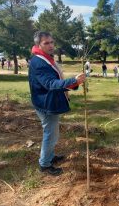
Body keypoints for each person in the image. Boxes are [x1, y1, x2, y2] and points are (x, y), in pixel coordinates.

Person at [28, 31, 86, 176]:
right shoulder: (39, 62)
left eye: (52, 42)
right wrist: (73, 81)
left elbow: (54, 80)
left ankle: (49, 156)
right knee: (51, 134)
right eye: (46, 43)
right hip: (46, 105)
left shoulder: (46, 58)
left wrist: (73, 83)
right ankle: (45, 164)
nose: (51, 45)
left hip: (46, 102)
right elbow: (50, 83)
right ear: (38, 45)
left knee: (52, 133)